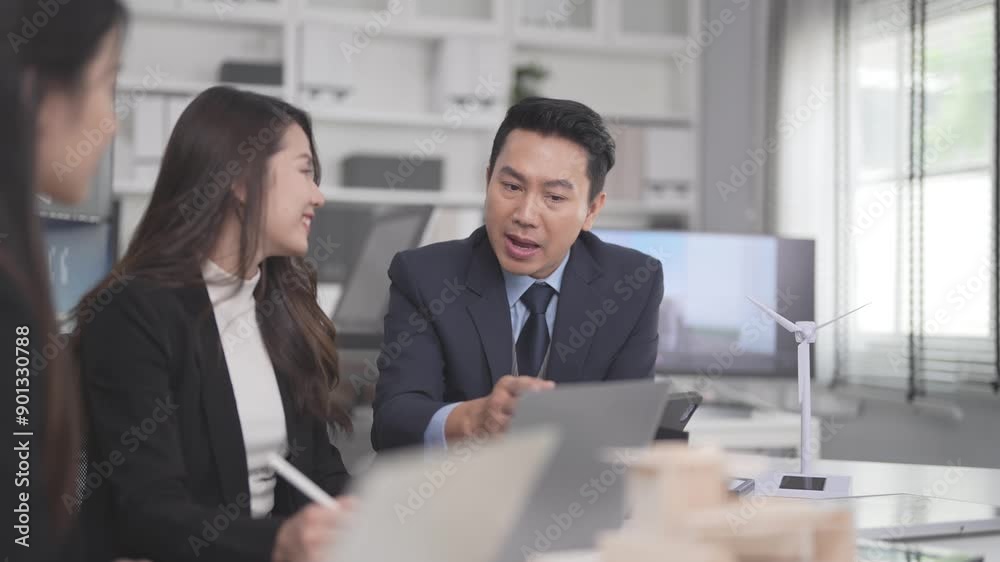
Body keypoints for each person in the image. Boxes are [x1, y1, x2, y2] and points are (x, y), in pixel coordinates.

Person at [74, 87, 353, 562]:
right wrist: (279, 543)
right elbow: (148, 513)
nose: (318, 196)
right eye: (305, 171)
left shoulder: (283, 310)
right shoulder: (134, 315)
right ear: (242, 180)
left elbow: (319, 473)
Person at [371, 97, 665, 451]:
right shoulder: (426, 277)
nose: (525, 215)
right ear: (487, 181)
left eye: (554, 197)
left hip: (576, 495)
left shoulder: (632, 282)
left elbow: (628, 427)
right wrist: (474, 419)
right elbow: (393, 421)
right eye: (511, 187)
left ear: (591, 211)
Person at [1, 1, 128, 560]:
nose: (111, 119)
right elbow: (21, 530)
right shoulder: (11, 308)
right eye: (106, 82)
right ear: (36, 93)